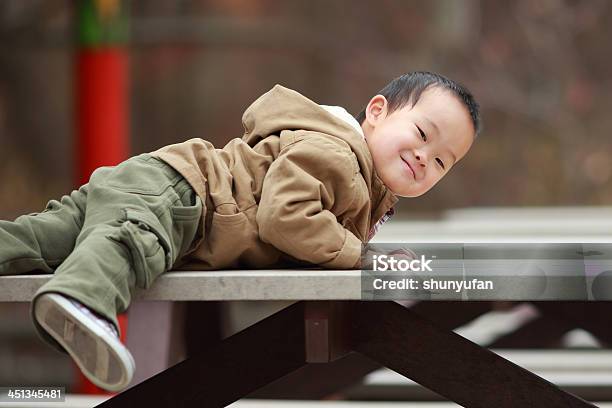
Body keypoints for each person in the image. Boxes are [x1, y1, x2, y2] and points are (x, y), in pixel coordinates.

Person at [0, 71, 481, 391]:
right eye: (422, 134)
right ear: (377, 112)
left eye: (442, 161)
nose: (425, 157)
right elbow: (285, 218)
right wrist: (363, 256)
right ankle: (85, 300)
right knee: (129, 245)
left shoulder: (361, 181)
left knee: (38, 241)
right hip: (183, 196)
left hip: (167, 192)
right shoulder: (336, 155)